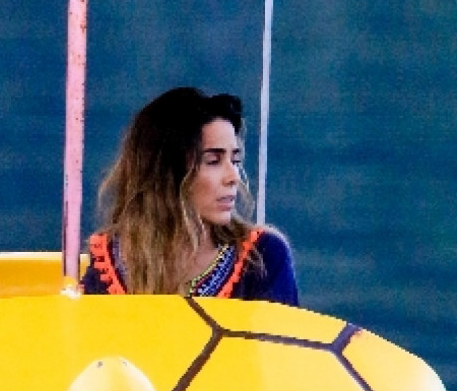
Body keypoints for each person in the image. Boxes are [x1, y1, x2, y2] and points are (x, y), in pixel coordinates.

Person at [83, 86, 298, 303]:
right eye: (213, 161)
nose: (233, 177)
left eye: (235, 161)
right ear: (166, 173)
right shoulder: (111, 259)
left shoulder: (263, 256)